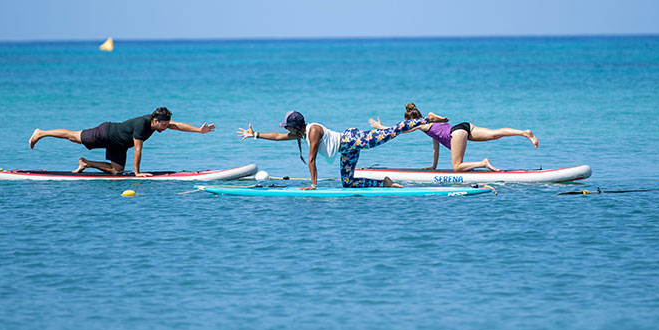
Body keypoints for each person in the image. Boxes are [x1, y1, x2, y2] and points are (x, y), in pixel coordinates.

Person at [236, 110, 448, 190]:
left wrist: (313, 184)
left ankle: (426, 119)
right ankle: (385, 183)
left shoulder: (313, 131)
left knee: (391, 132)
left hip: (352, 139)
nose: (286, 129)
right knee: (348, 183)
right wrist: (255, 135)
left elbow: (311, 160)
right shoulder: (302, 132)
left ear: (296, 125)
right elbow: (279, 136)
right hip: (346, 149)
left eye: (288, 125)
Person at [28, 107, 216, 176]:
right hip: (106, 133)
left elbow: (178, 125)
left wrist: (200, 131)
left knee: (116, 171)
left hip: (118, 144)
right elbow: (137, 150)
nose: (167, 127)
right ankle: (41, 133)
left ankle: (85, 163)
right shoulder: (142, 125)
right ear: (155, 121)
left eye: (167, 124)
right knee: (73, 136)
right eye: (164, 124)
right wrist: (137, 173)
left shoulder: (159, 124)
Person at [369, 103, 538, 172]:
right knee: (495, 133)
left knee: (457, 167)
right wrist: (433, 166)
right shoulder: (429, 128)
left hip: (456, 133)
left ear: (409, 120)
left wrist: (380, 127)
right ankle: (524, 133)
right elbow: (436, 145)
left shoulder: (420, 124)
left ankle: (483, 163)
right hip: (464, 127)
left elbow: (398, 130)